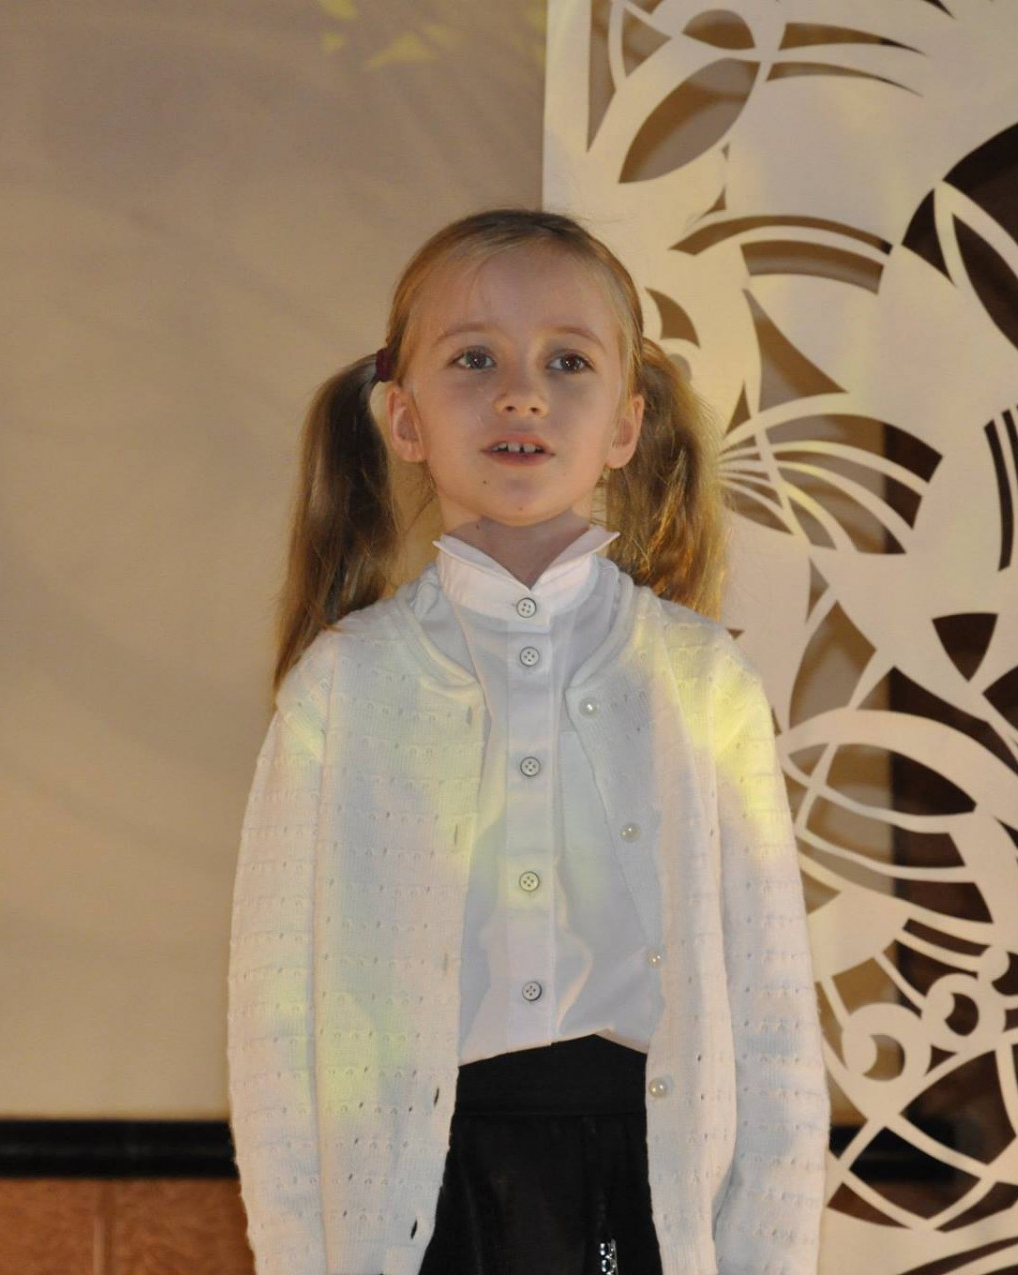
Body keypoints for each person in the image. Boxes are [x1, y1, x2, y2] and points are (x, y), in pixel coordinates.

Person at [226, 207, 827, 1275]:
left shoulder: (700, 682)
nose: (521, 394)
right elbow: (278, 1028)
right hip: (420, 1197)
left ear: (626, 426)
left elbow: (772, 1016)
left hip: (644, 1183)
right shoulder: (345, 689)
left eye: (567, 361)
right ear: (403, 418)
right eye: (474, 359)